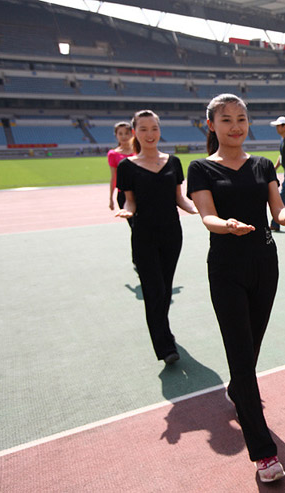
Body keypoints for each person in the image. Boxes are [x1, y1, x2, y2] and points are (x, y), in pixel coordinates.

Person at [186, 94, 285, 483]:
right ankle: (263, 454)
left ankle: (238, 388)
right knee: (242, 357)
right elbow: (207, 215)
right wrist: (226, 224)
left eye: (241, 118)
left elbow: (278, 209)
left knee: (251, 345)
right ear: (211, 125)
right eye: (226, 120)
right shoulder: (201, 168)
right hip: (226, 267)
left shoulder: (261, 165)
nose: (236, 126)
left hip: (264, 263)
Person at [115, 110, 197, 365]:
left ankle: (163, 329)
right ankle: (165, 346)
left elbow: (179, 198)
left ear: (159, 130)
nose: (149, 134)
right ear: (135, 133)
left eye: (154, 128)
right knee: (154, 290)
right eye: (143, 129)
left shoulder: (173, 162)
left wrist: (199, 209)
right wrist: (125, 212)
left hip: (172, 234)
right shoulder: (126, 166)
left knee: (165, 288)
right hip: (144, 235)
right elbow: (130, 202)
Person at [108, 121, 134, 214]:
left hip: (140, 191)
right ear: (116, 135)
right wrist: (111, 198)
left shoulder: (139, 151)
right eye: (120, 134)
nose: (124, 136)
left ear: (132, 134)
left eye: (127, 133)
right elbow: (114, 177)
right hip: (123, 193)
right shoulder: (113, 154)